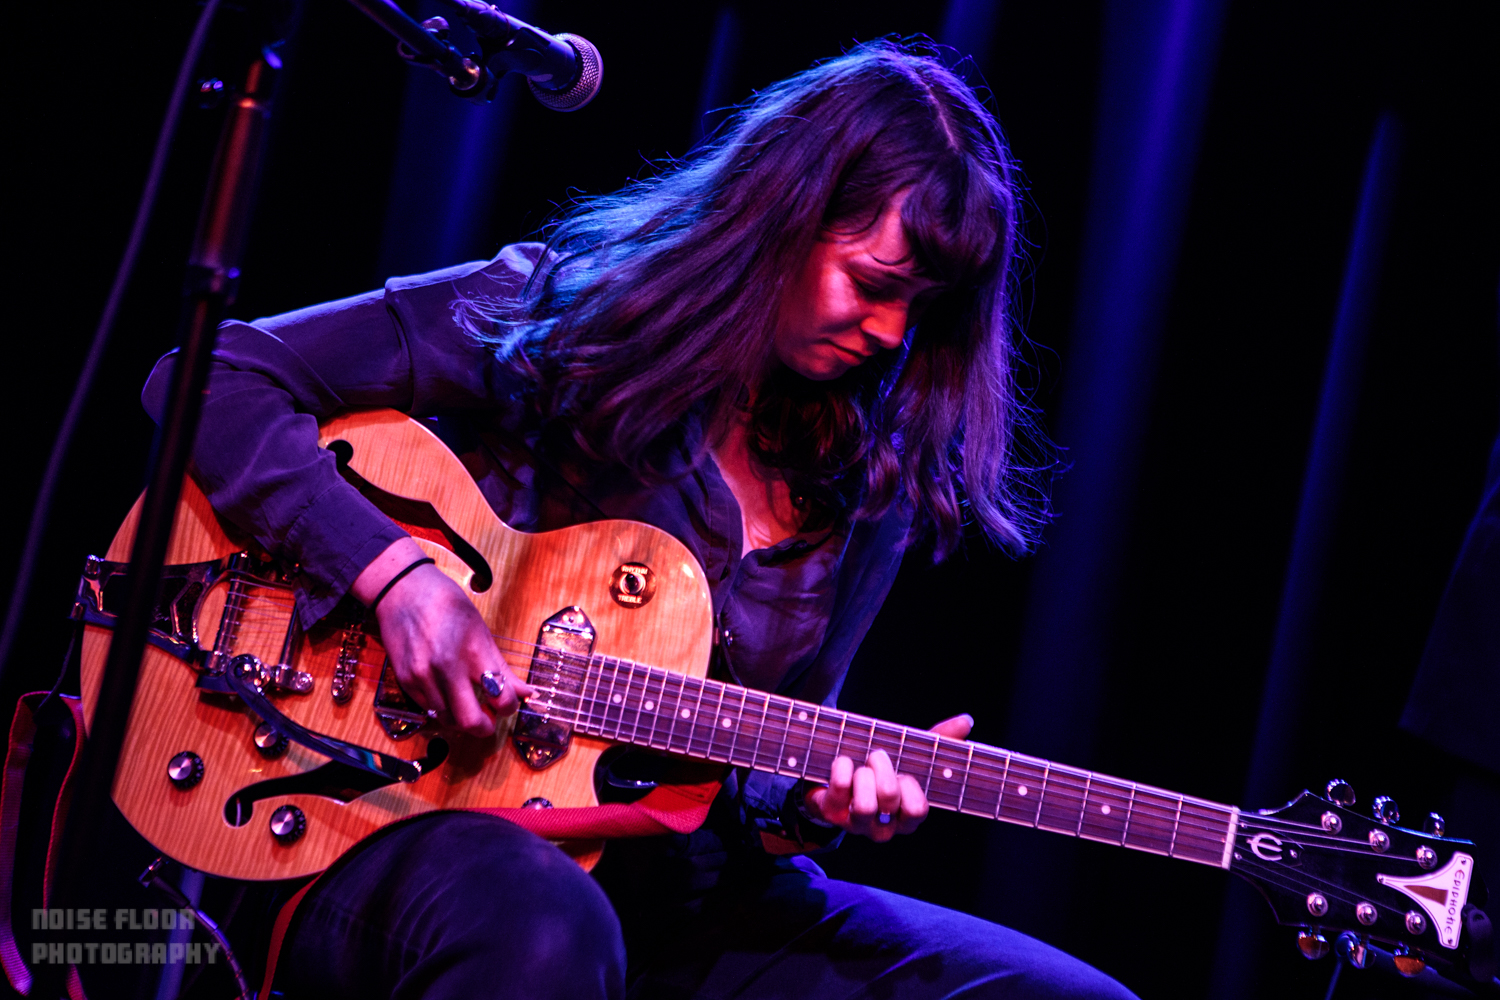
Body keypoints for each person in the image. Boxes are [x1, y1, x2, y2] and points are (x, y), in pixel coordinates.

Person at [143, 40, 1137, 1000]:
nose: (890, 331)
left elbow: (758, 780)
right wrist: (392, 574)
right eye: (874, 283)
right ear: (783, 217)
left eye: (922, 307)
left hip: (680, 898)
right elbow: (212, 377)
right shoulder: (561, 314)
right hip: (391, 822)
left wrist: (814, 802)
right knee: (545, 927)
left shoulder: (870, 482)